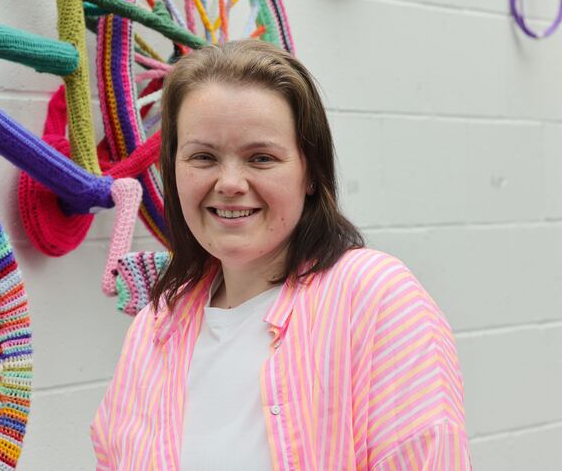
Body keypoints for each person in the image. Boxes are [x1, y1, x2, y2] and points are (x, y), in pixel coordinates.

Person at [91, 40, 470, 470]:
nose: (230, 182)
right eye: (203, 157)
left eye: (261, 158)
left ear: (309, 172)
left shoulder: (375, 298)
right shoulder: (154, 328)